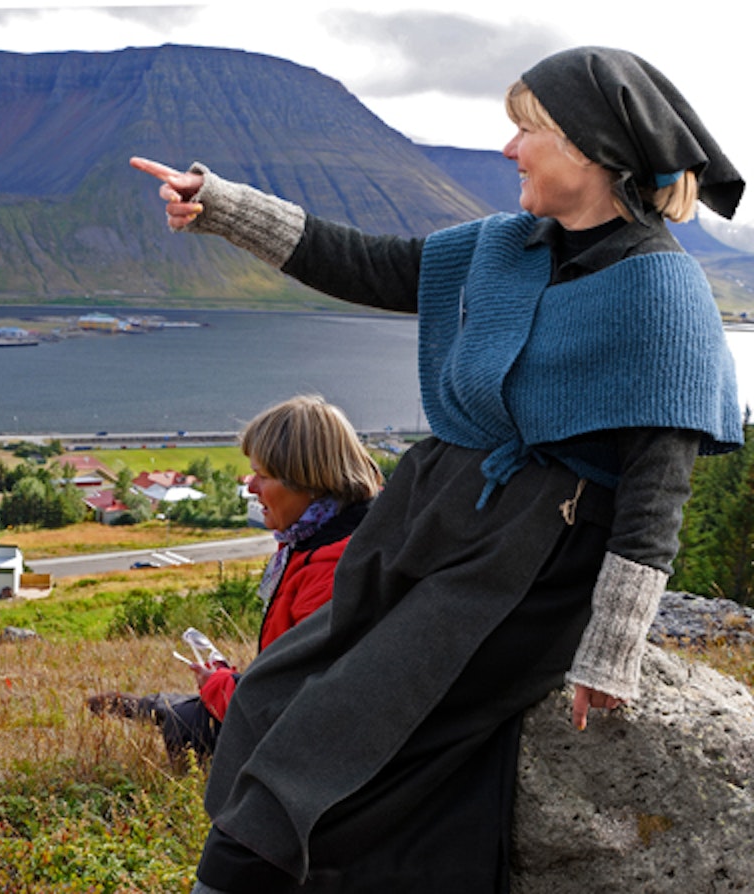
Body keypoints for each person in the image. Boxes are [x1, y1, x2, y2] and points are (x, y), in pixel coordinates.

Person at [131, 46, 744, 893]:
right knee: (275, 689)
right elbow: (367, 262)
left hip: (528, 566)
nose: (507, 150)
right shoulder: (506, 246)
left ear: (592, 150)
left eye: (526, 131)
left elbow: (655, 491)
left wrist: (610, 650)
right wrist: (223, 206)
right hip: (433, 527)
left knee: (343, 733)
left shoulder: (661, 292)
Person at [88, 395, 382, 765]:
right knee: (201, 710)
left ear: (310, 482)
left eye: (263, 476)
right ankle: (157, 706)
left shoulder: (334, 570)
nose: (250, 488)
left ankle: (161, 709)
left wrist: (219, 685)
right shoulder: (325, 539)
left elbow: (292, 709)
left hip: (320, 756)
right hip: (319, 731)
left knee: (192, 727)